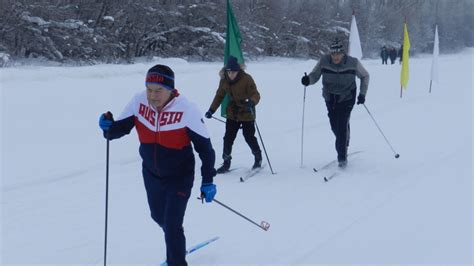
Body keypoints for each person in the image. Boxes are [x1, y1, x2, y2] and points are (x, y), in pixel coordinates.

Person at [98, 64, 217, 266]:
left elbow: (206, 150)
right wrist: (107, 127)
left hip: (180, 175)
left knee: (171, 225)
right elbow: (119, 129)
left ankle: (176, 258)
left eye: (158, 90)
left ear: (171, 89)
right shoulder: (139, 102)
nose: (153, 96)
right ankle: (175, 237)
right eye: (149, 89)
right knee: (158, 216)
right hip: (151, 173)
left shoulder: (186, 110)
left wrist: (208, 181)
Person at [301, 38, 369, 167]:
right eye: (333, 54)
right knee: (334, 125)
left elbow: (365, 76)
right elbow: (314, 75)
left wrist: (362, 94)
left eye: (338, 54)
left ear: (343, 53)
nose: (336, 57)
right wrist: (307, 80)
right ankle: (344, 140)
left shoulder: (353, 63)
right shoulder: (324, 61)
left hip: (347, 97)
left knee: (341, 126)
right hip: (330, 97)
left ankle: (342, 158)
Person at [205, 56, 262, 173]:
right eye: (229, 72)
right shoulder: (224, 80)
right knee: (228, 138)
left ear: (238, 70)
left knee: (249, 136)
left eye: (234, 72)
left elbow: (255, 94)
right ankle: (226, 163)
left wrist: (252, 101)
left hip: (247, 112)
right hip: (232, 112)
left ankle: (258, 157)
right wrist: (211, 110)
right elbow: (219, 95)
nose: (231, 74)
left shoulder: (247, 79)